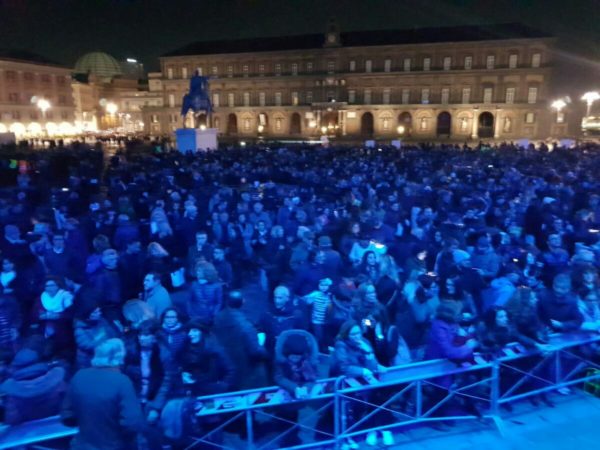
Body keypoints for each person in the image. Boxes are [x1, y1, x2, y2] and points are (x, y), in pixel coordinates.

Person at [61, 338, 145, 450]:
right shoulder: (122, 382)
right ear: (120, 358)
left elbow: (67, 415)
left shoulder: (79, 376)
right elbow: (133, 422)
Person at [213, 290, 269, 390]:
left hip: (225, 368)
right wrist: (265, 352)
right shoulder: (245, 325)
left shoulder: (217, 318)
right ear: (243, 302)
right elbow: (255, 351)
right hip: (246, 371)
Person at [0, 347, 67, 424]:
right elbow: (69, 407)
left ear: (15, 367)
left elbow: (12, 420)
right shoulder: (59, 380)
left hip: (27, 434)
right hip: (60, 429)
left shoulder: (10, 391)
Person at [177, 318, 235, 396]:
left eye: (194, 330)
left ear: (202, 332)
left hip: (216, 395)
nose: (190, 334)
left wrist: (222, 386)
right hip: (195, 395)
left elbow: (231, 370)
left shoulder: (216, 350)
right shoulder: (184, 350)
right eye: (189, 331)